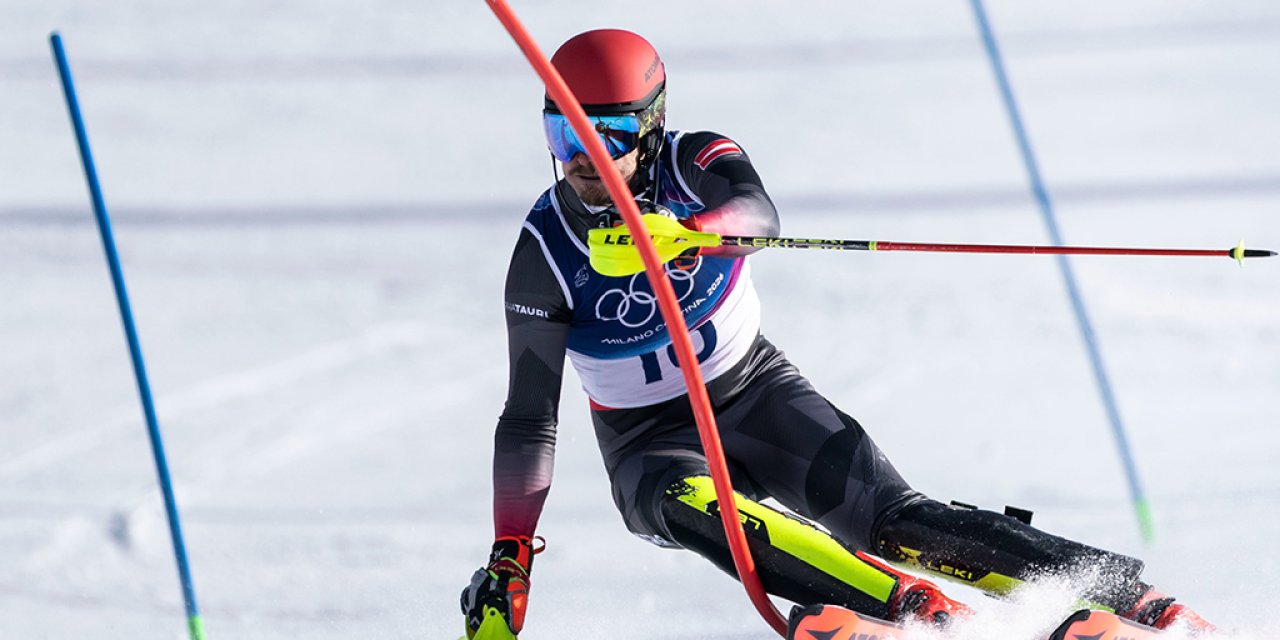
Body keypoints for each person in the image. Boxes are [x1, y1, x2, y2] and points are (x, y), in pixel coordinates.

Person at [459, 28, 1213, 639]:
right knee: (697, 505)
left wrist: (687, 233)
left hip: (755, 391)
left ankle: (1133, 601)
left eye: (610, 134)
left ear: (651, 126)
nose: (587, 161)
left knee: (892, 519)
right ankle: (920, 615)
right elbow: (529, 417)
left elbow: (757, 216)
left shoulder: (698, 160)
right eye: (566, 134)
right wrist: (511, 555)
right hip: (647, 441)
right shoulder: (543, 254)